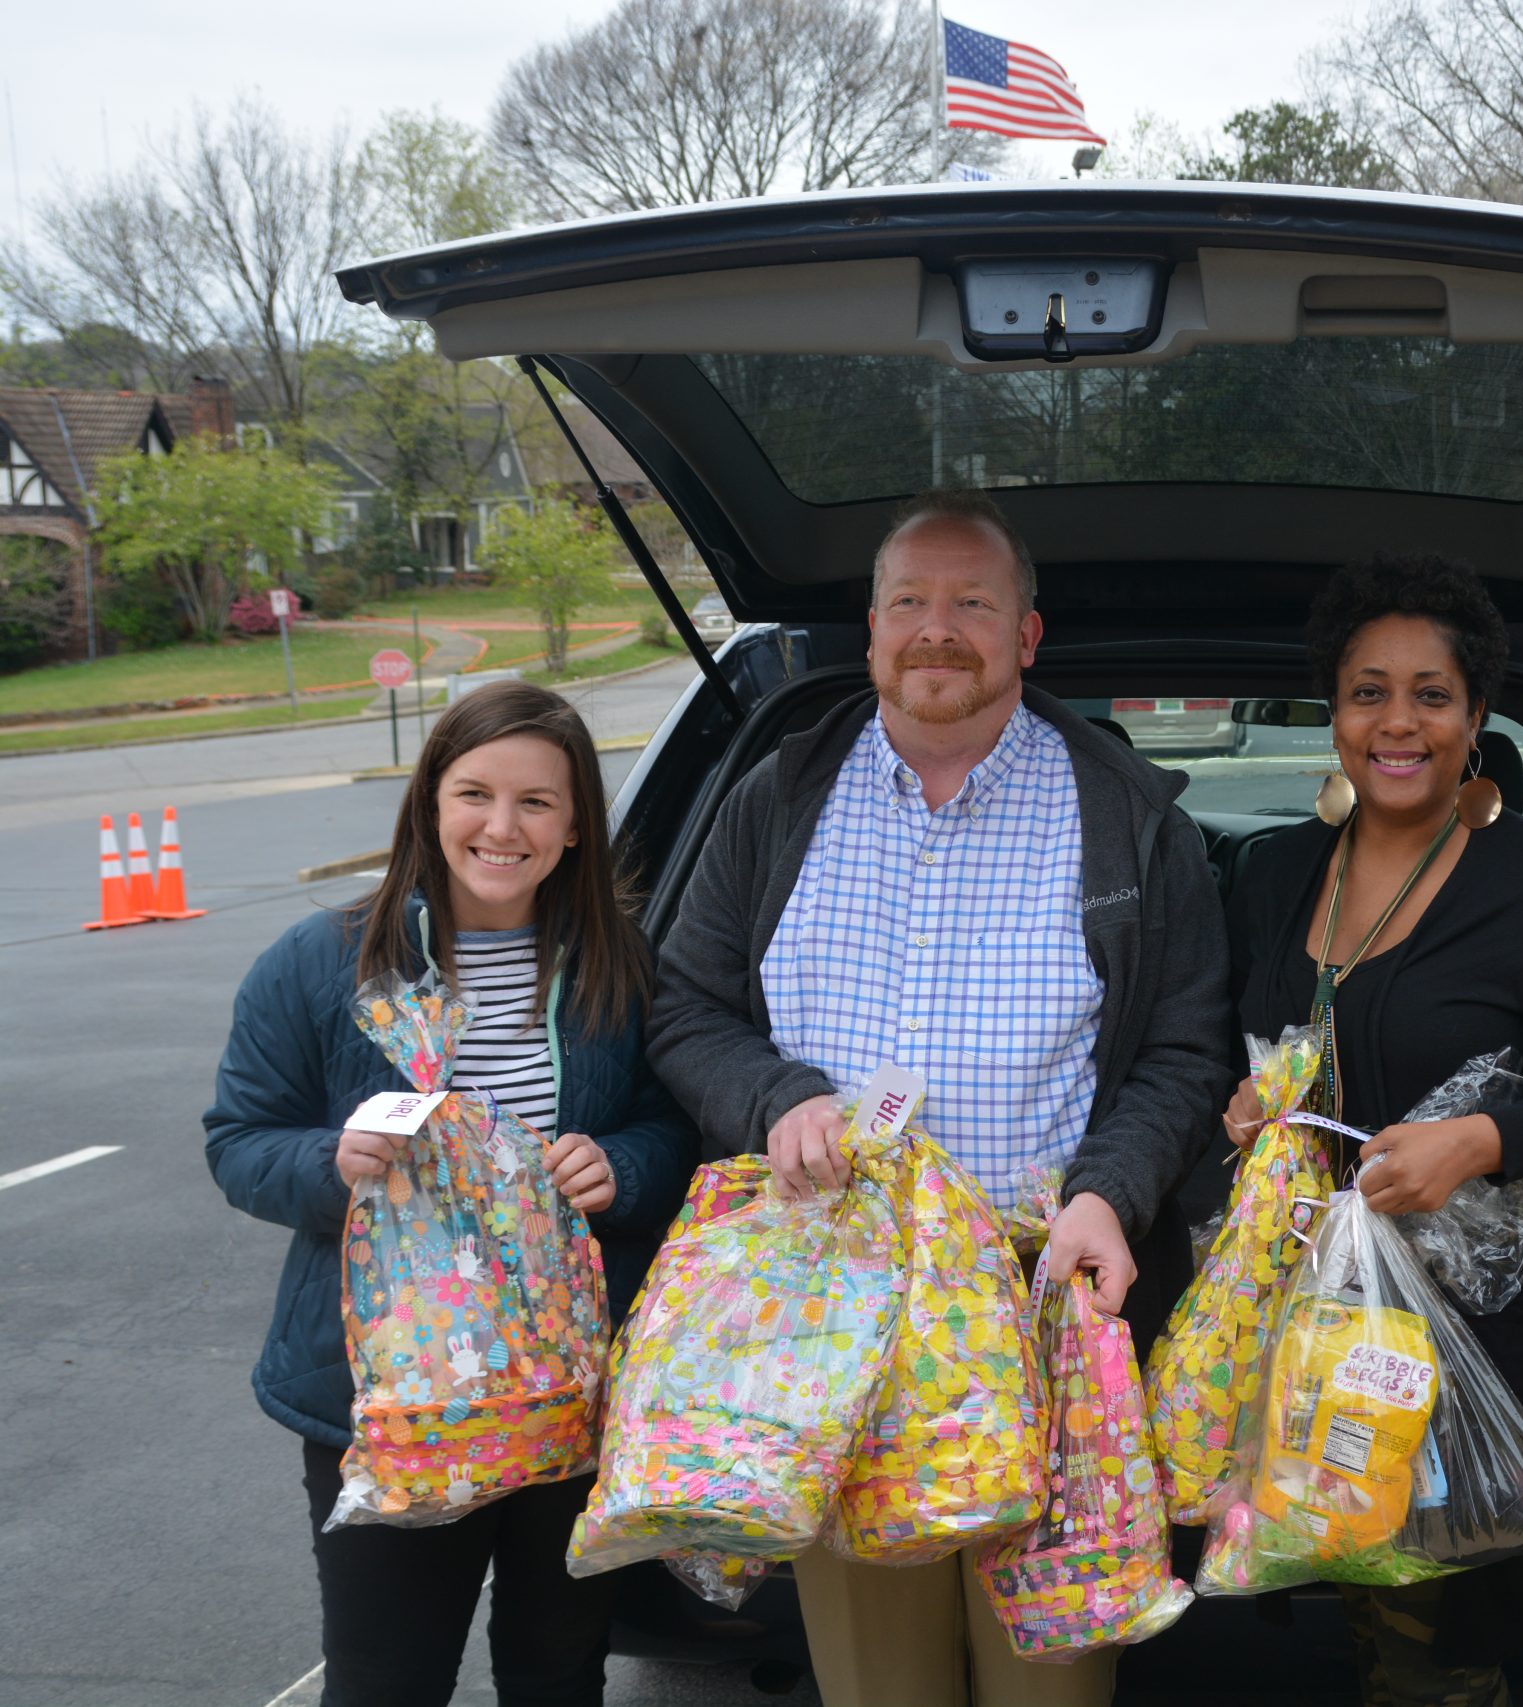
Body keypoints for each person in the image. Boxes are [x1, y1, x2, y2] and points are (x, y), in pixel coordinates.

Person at [645, 488, 1230, 1707]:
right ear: (871, 631)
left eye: (973, 602)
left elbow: (1185, 1054)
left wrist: (1110, 1194)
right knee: (880, 1686)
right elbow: (684, 1007)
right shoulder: (778, 799)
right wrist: (777, 1099)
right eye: (909, 600)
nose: (937, 629)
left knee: (1047, 1685)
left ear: (1026, 634)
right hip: (830, 1321)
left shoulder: (1127, 818)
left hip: (1045, 1309)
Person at [204, 679, 697, 1707]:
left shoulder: (616, 963)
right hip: (389, 1397)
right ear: (431, 801)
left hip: (572, 1389)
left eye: (536, 802)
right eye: (475, 793)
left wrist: (624, 1165)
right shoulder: (322, 963)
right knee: (388, 1677)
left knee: (559, 1669)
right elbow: (239, 1140)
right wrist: (331, 1164)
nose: (501, 827)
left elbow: (672, 1125)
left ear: (574, 826)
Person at [1223, 554, 1523, 1707]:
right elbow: (1237, 1045)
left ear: (1475, 716)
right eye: (1368, 693)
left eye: (1430, 694)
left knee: (1435, 1650)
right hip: (1308, 1322)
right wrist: (1246, 1103)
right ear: (1334, 713)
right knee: (1351, 1598)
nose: (1397, 723)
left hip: (1474, 1333)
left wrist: (1477, 1143)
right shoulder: (1279, 873)